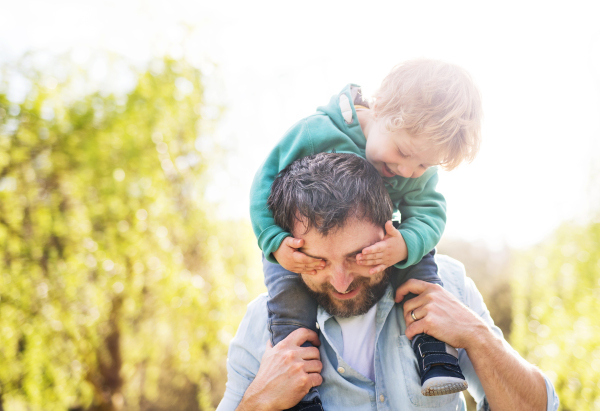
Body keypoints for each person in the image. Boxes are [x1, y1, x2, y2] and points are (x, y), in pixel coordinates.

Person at [220, 153, 559, 411]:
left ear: (389, 231)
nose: (340, 282)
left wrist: (477, 335)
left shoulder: (448, 285)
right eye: (317, 262)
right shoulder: (263, 326)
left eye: (359, 256)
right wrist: (258, 402)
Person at [250, 59, 482, 407]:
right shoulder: (316, 133)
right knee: (288, 302)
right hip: (298, 248)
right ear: (382, 108)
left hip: (383, 241)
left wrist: (403, 244)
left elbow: (429, 213)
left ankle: (434, 353)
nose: (407, 170)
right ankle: (303, 396)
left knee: (422, 264)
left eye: (422, 165)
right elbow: (262, 186)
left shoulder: (414, 167)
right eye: (403, 152)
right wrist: (274, 242)